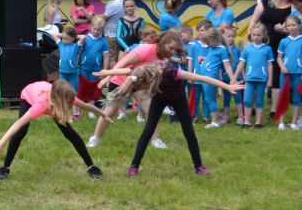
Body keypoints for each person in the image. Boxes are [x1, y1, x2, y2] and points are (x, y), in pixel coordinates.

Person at [99, 57, 242, 178]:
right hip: (160, 98)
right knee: (148, 130)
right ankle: (134, 166)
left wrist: (227, 87)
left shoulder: (171, 72)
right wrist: (107, 73)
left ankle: (199, 166)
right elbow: (125, 71)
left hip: (178, 97)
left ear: (150, 81)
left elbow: (202, 78)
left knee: (189, 131)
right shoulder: (141, 72)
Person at [0, 79, 108, 181]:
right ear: (61, 101)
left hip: (51, 99)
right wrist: (0, 143)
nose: (72, 104)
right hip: (28, 95)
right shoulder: (41, 105)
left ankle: (91, 166)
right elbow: (18, 123)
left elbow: (86, 106)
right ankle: (5, 168)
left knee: (70, 133)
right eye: (69, 102)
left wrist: (103, 115)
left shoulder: (65, 96)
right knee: (21, 131)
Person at [87, 31, 170, 149]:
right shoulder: (145, 49)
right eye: (171, 47)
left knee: (151, 110)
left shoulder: (164, 55)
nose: (172, 51)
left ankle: (155, 140)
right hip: (121, 79)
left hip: (139, 82)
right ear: (162, 43)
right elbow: (122, 63)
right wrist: (108, 77)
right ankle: (95, 138)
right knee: (109, 112)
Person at [250, 0, 295, 110]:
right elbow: (253, 21)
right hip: (261, 43)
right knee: (256, 73)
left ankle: (274, 110)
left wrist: (283, 29)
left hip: (280, 45)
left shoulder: (292, 6)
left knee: (276, 75)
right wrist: (249, 39)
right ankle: (250, 107)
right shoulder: (265, 2)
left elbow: (293, 25)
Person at [233, 23, 274, 129]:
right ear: (250, 35)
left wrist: (270, 79)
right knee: (247, 100)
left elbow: (270, 65)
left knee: (259, 100)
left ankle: (258, 122)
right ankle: (247, 121)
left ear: (263, 35)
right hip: (249, 79)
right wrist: (234, 78)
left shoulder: (267, 49)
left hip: (262, 79)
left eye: (258, 35)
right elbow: (241, 64)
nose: (256, 37)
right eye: (254, 35)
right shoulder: (247, 49)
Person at [192, 27, 234, 128]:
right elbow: (212, 60)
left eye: (208, 41)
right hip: (205, 76)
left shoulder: (222, 50)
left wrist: (233, 79)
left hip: (210, 77)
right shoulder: (213, 48)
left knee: (209, 99)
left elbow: (227, 66)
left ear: (215, 39)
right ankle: (217, 118)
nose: (207, 44)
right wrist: (204, 59)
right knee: (209, 98)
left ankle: (215, 122)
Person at [275, 16, 302, 130]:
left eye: (294, 25)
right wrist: (282, 67)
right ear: (286, 27)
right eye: (289, 25)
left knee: (297, 97)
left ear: (299, 26)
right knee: (283, 96)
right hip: (285, 74)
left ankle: (294, 122)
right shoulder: (283, 41)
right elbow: (279, 58)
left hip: (298, 73)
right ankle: (281, 122)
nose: (291, 27)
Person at [77, 14, 109, 109]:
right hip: (83, 68)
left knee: (93, 88)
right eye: (94, 29)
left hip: (96, 69)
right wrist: (76, 65)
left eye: (99, 30)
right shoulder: (85, 38)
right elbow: (78, 52)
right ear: (90, 27)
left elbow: (106, 57)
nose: (96, 31)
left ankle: (91, 108)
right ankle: (79, 107)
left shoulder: (103, 41)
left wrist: (105, 70)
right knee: (82, 87)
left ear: (102, 30)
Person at [220, 25, 245, 126]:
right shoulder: (222, 49)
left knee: (238, 97)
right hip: (225, 78)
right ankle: (225, 116)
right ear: (223, 37)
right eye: (228, 36)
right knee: (226, 98)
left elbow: (241, 63)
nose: (230, 38)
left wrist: (243, 75)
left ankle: (240, 117)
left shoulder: (237, 50)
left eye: (232, 36)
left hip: (237, 78)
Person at [102, 0, 127, 65]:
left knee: (111, 58)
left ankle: (113, 73)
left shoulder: (112, 4)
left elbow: (104, 18)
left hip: (111, 35)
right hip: (123, 35)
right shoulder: (126, 3)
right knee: (120, 58)